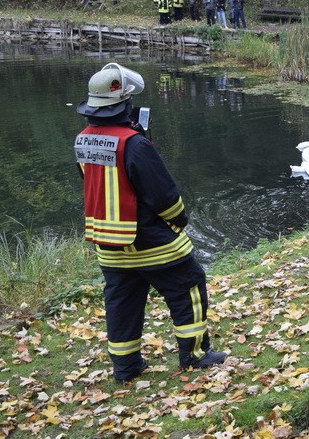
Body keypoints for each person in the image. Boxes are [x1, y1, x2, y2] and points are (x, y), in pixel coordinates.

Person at [74, 63, 227, 382]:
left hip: (109, 246)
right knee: (189, 285)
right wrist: (178, 222)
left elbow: (95, 182)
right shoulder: (135, 144)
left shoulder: (82, 141)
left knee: (122, 303)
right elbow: (164, 196)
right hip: (153, 244)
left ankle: (126, 367)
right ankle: (195, 355)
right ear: (124, 104)